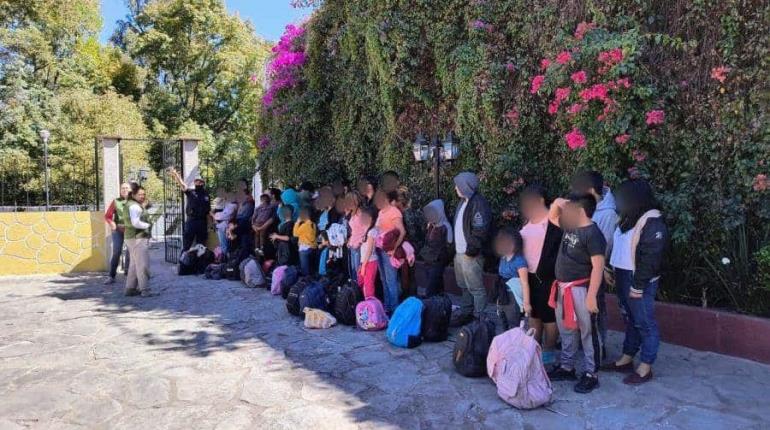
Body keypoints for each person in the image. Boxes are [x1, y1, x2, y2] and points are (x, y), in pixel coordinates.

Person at [603, 179, 668, 385]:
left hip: (639, 280)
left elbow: (651, 258)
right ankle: (626, 358)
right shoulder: (627, 218)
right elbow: (616, 246)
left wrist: (638, 286)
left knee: (644, 323)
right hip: (622, 276)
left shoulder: (653, 221)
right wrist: (607, 267)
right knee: (630, 319)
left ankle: (645, 366)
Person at [547, 193, 606, 394]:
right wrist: (557, 202)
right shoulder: (570, 225)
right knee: (566, 330)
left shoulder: (593, 233)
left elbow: (598, 266)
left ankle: (591, 374)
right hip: (564, 289)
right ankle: (567, 367)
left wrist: (591, 296)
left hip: (582, 290)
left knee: (588, 332)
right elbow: (552, 216)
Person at [571, 170, 618, 359]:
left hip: (594, 268)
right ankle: (583, 343)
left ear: (590, 190)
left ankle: (599, 349)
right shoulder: (584, 206)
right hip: (578, 267)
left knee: (595, 308)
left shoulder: (607, 214)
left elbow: (603, 246)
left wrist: (603, 267)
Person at [519, 184, 562, 366]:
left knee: (550, 318)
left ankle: (549, 351)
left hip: (548, 277)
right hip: (529, 276)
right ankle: (534, 349)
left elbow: (562, 202)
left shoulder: (553, 220)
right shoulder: (528, 221)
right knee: (534, 316)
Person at [450, 172, 493, 326]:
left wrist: (471, 249)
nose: (455, 188)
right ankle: (466, 312)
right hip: (460, 253)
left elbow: (480, 230)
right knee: (464, 286)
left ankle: (479, 317)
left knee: (476, 287)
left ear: (465, 186)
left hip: (470, 254)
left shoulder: (478, 203)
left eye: (458, 185)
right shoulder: (463, 202)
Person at [374, 189, 406, 314]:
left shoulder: (394, 212)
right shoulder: (381, 212)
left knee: (391, 280)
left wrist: (394, 249)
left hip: (388, 251)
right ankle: (387, 307)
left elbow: (402, 232)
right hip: (379, 249)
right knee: (383, 279)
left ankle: (394, 309)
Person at [493, 227, 530, 331]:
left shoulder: (519, 261)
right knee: (502, 319)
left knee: (513, 323)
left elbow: (524, 283)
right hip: (502, 294)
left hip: (513, 297)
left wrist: (527, 303)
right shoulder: (503, 258)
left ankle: (514, 343)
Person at [169, 168, 210, 251]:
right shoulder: (191, 192)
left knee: (201, 246)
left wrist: (212, 223)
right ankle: (183, 262)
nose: (197, 182)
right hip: (191, 221)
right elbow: (183, 185)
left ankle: (199, 263)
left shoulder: (207, 195)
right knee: (187, 245)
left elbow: (208, 210)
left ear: (203, 182)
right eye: (196, 181)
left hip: (202, 222)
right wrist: (176, 175)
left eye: (199, 181)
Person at [419, 199, 453, 297]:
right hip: (428, 260)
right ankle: (441, 303)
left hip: (437, 261)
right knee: (437, 285)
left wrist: (442, 258)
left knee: (431, 289)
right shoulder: (431, 225)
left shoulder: (446, 227)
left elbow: (450, 246)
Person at [124, 186, 152, 297]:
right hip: (137, 237)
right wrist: (148, 225)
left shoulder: (131, 204)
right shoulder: (134, 206)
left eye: (144, 194)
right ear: (134, 195)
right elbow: (135, 223)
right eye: (140, 194)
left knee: (134, 264)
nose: (142, 196)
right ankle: (145, 289)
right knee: (142, 264)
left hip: (131, 237)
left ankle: (130, 288)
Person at [104, 182, 133, 284]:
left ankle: (128, 273)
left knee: (130, 252)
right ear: (120, 190)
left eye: (126, 188)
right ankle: (111, 276)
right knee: (116, 251)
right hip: (118, 230)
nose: (124, 190)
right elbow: (107, 216)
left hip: (130, 230)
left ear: (131, 190)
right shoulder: (116, 202)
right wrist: (112, 223)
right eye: (122, 188)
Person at [357, 207, 379, 298]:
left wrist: (364, 265)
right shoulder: (367, 230)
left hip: (370, 262)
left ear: (370, 218)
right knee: (362, 283)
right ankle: (366, 305)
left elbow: (369, 251)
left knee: (368, 286)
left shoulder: (372, 231)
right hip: (365, 261)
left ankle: (370, 307)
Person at [345, 192, 366, 281]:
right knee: (353, 270)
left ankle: (359, 291)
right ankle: (353, 290)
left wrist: (360, 242)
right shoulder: (352, 213)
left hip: (358, 246)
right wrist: (349, 240)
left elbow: (366, 229)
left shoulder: (361, 213)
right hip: (352, 244)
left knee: (358, 271)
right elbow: (353, 230)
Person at [293, 206, 317, 276]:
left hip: (304, 248)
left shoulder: (304, 225)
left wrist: (297, 222)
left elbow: (295, 234)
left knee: (305, 270)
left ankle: (305, 281)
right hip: (312, 247)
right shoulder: (313, 224)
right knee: (311, 268)